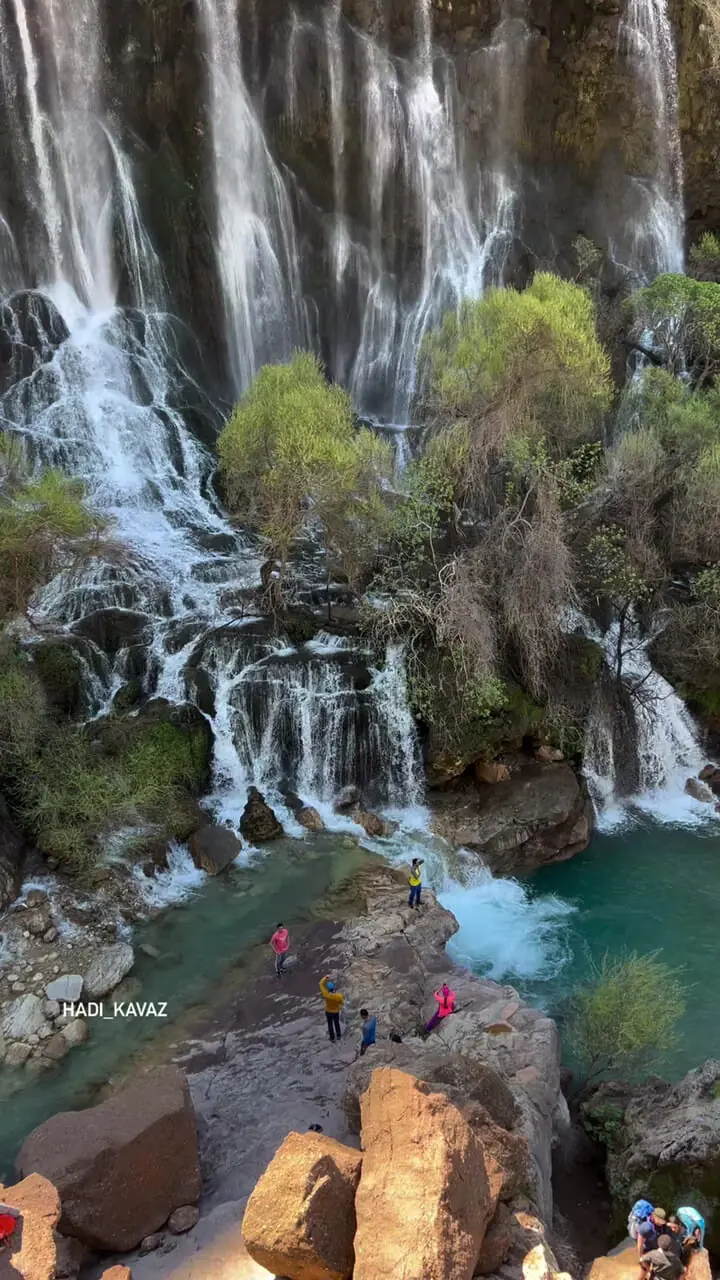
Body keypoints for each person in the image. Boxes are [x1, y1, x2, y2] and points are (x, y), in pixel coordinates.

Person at [319, 974, 345, 1042]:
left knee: (330, 1024)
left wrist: (325, 977)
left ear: (328, 989)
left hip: (328, 1011)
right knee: (337, 1023)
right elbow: (342, 1003)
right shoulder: (339, 996)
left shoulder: (326, 994)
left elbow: (321, 984)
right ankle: (339, 1036)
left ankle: (332, 1038)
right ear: (334, 988)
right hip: (336, 1012)